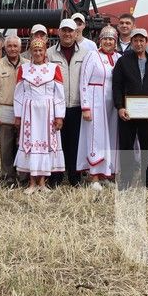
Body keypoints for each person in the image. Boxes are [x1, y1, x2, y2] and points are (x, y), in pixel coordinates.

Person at [112, 29, 148, 188]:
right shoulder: (123, 61)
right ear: (131, 43)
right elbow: (117, 86)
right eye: (135, 40)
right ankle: (126, 180)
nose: (138, 43)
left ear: (146, 42)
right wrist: (120, 107)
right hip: (127, 113)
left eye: (142, 40)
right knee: (126, 147)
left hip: (147, 113)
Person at [14, 38, 66, 193]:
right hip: (29, 112)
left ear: (45, 52)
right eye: (35, 50)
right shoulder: (23, 69)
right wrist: (18, 115)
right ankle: (31, 183)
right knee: (30, 144)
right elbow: (18, 94)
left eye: (40, 50)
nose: (37, 53)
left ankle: (42, 182)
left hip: (48, 112)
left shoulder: (53, 68)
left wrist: (59, 116)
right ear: (31, 51)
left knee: (45, 144)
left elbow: (59, 95)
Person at [79, 27, 122, 190]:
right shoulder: (92, 56)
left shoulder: (118, 58)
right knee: (95, 138)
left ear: (115, 41)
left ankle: (108, 174)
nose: (108, 42)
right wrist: (85, 106)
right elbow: (83, 81)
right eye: (105, 39)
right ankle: (94, 176)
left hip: (113, 103)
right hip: (95, 100)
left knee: (111, 138)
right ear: (100, 40)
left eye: (111, 39)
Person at [48, 18, 87, 187]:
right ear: (58, 32)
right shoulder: (50, 54)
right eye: (64, 30)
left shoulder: (85, 53)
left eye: (70, 31)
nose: (67, 34)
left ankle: (74, 176)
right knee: (57, 142)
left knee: (75, 142)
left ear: (75, 33)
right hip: (57, 106)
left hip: (77, 104)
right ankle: (56, 176)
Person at [0, 34, 27, 186]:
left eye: (15, 46)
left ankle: (23, 177)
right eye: (9, 46)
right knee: (6, 146)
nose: (12, 49)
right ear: (4, 47)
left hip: (24, 111)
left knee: (23, 144)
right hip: (5, 108)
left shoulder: (28, 65)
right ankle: (8, 177)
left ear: (20, 48)